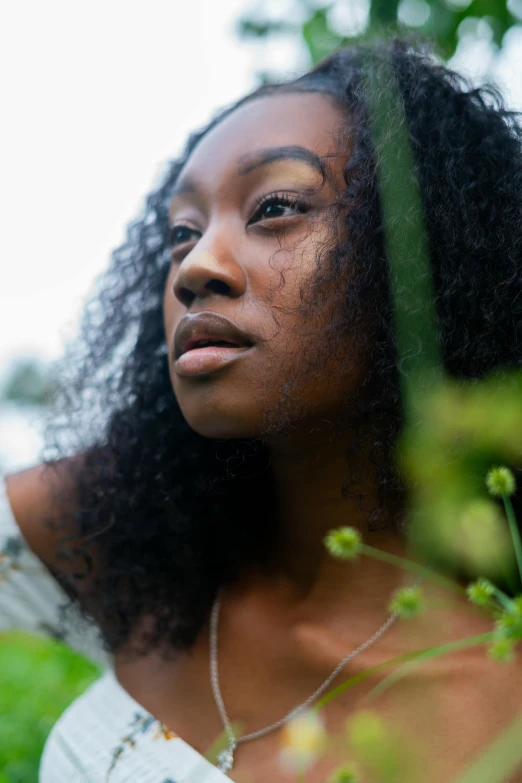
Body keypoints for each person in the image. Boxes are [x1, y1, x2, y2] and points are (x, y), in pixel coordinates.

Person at [3, 36, 522, 783]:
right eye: (180, 233)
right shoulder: (134, 531)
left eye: (275, 208)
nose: (196, 268)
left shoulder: (495, 710)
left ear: (424, 257)